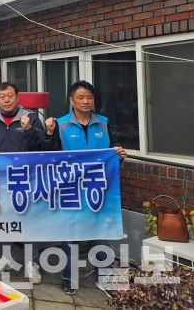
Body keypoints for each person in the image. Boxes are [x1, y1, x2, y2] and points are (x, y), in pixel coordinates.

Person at [55, 80, 126, 295]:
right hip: (70, 188)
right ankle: (69, 278)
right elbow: (51, 157)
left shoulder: (103, 123)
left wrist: (119, 156)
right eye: (81, 97)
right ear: (71, 100)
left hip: (99, 187)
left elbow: (110, 154)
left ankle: (103, 277)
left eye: (89, 97)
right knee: (71, 234)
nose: (86, 101)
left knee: (100, 231)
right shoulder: (60, 125)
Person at [0, 82, 58, 285]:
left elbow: (42, 147)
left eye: (10, 96)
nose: (7, 100)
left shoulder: (31, 118)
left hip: (28, 179)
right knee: (3, 220)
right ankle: (5, 257)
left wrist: (28, 129)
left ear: (18, 98)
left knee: (29, 221)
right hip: (1, 180)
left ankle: (31, 263)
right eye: (2, 97)